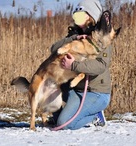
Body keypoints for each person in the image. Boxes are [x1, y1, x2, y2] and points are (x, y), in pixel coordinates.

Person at [49, 0, 111, 130]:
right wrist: (74, 38)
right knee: (51, 90)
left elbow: (100, 66)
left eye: (81, 13)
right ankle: (64, 113)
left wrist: (74, 65)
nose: (77, 16)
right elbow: (54, 49)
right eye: (76, 13)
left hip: (95, 93)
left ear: (91, 15)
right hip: (75, 89)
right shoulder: (74, 34)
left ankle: (95, 115)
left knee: (64, 124)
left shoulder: (102, 37)